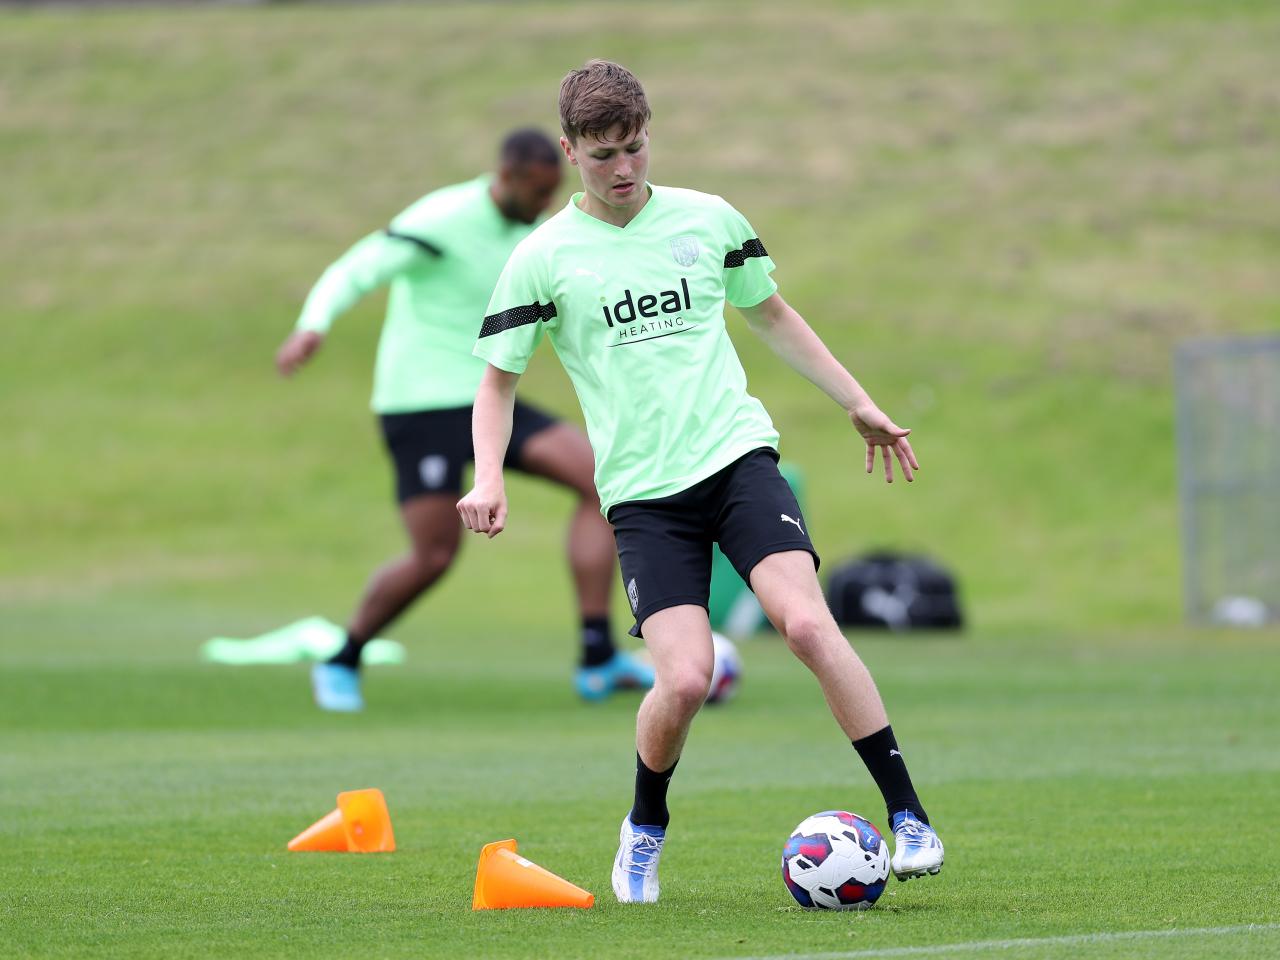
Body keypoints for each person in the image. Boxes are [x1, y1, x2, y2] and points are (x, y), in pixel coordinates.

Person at [457, 63, 944, 902]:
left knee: (805, 623)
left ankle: (909, 815)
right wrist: (490, 476)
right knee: (685, 678)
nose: (623, 169)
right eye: (603, 155)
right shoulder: (543, 259)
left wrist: (857, 402)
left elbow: (772, 313)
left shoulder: (708, 219)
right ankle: (644, 826)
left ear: (650, 134)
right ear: (570, 151)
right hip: (645, 499)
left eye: (635, 148)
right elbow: (497, 382)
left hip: (736, 459)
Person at [275, 128, 654, 712]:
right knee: (434, 555)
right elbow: (358, 267)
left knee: (601, 481)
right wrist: (313, 324)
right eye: (537, 192)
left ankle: (597, 655)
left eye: (552, 192)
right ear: (506, 178)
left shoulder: (539, 233)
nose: (544, 204)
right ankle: (344, 657)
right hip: (420, 404)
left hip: (487, 399)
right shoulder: (444, 217)